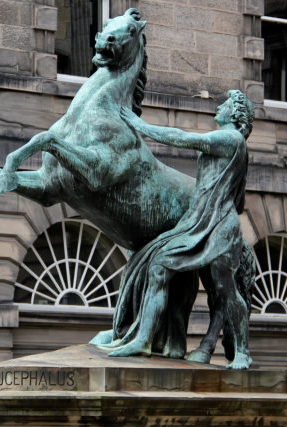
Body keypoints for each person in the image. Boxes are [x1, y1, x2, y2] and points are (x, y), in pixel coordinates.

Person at [108, 90, 255, 369]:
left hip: (219, 225)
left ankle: (243, 352)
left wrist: (139, 126)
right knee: (159, 265)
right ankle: (143, 339)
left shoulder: (230, 138)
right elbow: (239, 196)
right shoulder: (231, 144)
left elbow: (184, 139)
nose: (219, 106)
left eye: (224, 104)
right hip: (200, 220)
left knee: (225, 289)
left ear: (235, 114)